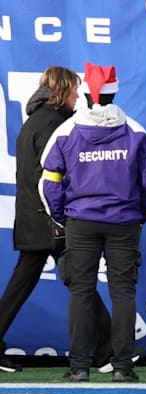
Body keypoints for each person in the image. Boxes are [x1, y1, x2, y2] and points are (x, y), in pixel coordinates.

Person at [39, 62, 146, 382]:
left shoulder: (66, 132)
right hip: (124, 223)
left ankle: (79, 367)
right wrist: (136, 218)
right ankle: (122, 368)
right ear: (115, 93)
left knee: (81, 293)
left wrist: (62, 217)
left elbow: (49, 183)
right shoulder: (137, 132)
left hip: (80, 223)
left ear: (84, 93)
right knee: (123, 292)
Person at [0, 66, 116, 374]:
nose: (78, 95)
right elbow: (57, 177)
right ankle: (108, 352)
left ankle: (108, 350)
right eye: (74, 89)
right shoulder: (56, 125)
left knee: (29, 285)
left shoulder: (33, 123)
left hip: (33, 219)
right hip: (52, 221)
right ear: (61, 92)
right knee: (81, 282)